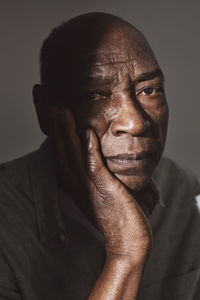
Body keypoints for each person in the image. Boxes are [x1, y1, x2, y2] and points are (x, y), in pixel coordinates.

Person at [0, 12, 200, 300]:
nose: (134, 122)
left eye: (149, 90)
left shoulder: (186, 192)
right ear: (45, 111)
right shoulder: (7, 220)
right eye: (95, 95)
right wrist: (126, 253)